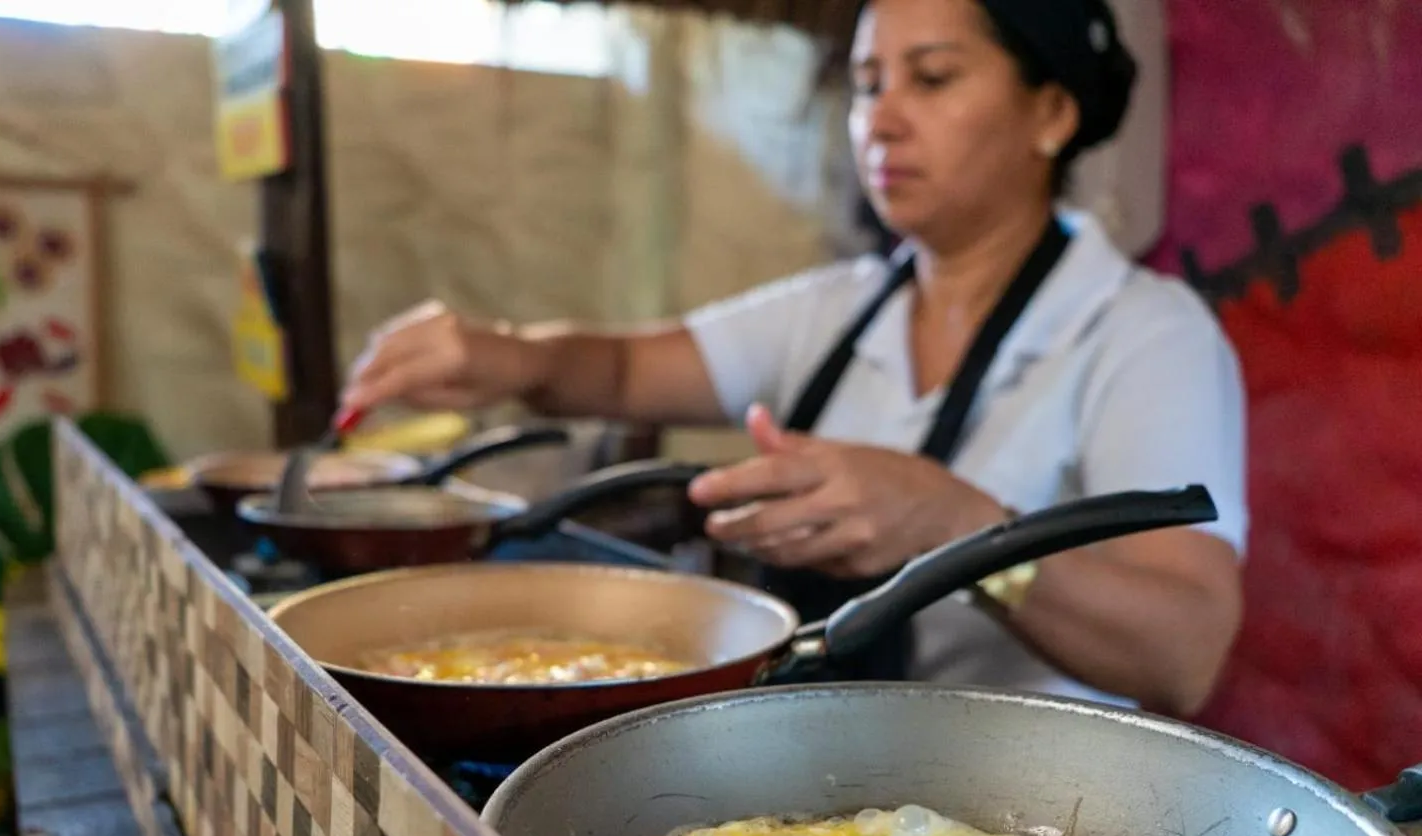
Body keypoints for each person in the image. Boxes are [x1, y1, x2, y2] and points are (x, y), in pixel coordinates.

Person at [339, 0, 1247, 719]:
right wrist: (504, 353)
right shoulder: (841, 308)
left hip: (1029, 826)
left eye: (931, 79)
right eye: (865, 83)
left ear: (1051, 111)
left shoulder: (1142, 333)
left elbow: (1185, 651)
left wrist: (958, 526)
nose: (880, 121)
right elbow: (617, 374)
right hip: (821, 783)